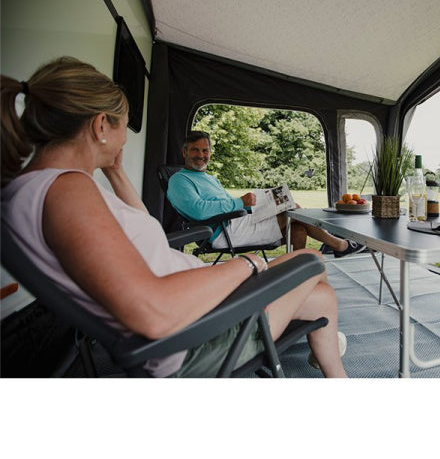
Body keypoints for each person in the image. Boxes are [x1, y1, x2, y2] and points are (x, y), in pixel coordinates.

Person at [0, 57, 347, 378]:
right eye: (125, 124)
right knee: (311, 260)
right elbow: (153, 311)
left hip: (197, 309)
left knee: (323, 299)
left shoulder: (45, 188)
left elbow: (140, 232)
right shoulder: (65, 192)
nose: (125, 137)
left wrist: (116, 172)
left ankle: (334, 373)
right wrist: (248, 265)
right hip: (195, 338)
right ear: (101, 125)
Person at [167, 131, 366, 256]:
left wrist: (252, 202)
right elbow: (198, 210)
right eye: (195, 150)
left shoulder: (209, 178)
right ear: (185, 153)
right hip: (223, 232)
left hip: (238, 222)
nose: (201, 156)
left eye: (205, 150)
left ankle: (297, 275)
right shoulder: (179, 180)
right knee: (295, 215)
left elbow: (228, 204)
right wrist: (239, 203)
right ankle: (341, 246)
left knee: (297, 225)